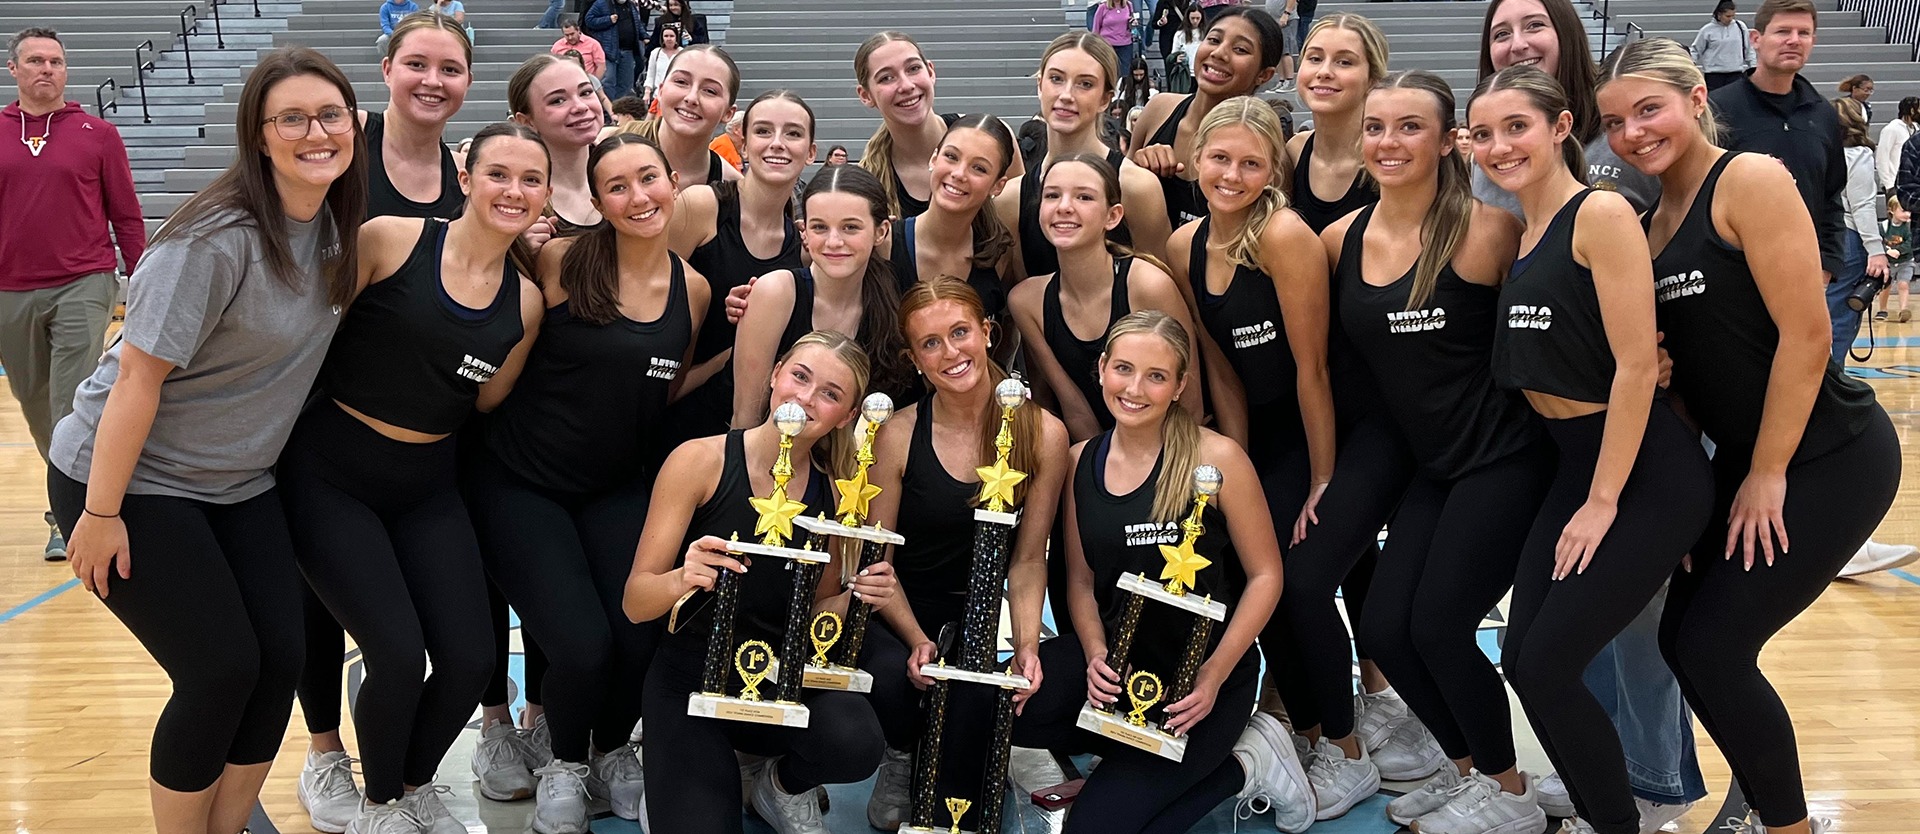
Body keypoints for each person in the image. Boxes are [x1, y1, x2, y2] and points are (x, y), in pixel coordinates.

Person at [49, 46, 363, 834]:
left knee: (278, 664)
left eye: (329, 114)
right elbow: (134, 384)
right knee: (218, 670)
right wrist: (99, 511)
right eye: (291, 118)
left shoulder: (335, 225)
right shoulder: (214, 239)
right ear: (259, 137)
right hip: (130, 481)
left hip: (237, 483)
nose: (315, 132)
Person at [1600, 35, 1902, 834]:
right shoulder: (1645, 221)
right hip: (1741, 462)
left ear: (1698, 98)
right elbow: (1697, 375)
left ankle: (1786, 824)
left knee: (1712, 649)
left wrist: (1766, 473)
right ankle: (1765, 811)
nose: (1632, 133)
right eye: (1616, 121)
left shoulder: (1750, 182)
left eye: (1649, 109)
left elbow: (1807, 338)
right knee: (1686, 642)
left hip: (1830, 456)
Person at [1478, 0, 1710, 824]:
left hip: (1641, 474)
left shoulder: (1600, 213)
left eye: (1518, 128)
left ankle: (1630, 806)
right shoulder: (1523, 229)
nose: (1501, 146)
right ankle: (1601, 793)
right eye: (1485, 134)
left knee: (1547, 663)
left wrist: (1606, 501)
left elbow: (1639, 363)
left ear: (1561, 125)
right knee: (1525, 660)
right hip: (1575, 465)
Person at [280, 122, 546, 834]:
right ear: (466, 176)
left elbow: (486, 397)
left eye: (530, 180)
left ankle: (414, 781)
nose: (512, 191)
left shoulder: (524, 302)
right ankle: (381, 807)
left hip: (426, 485)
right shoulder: (391, 239)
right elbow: (303, 333)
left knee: (469, 659)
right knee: (396, 655)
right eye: (498, 174)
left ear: (547, 194)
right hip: (330, 474)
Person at [1324, 68, 1553, 834]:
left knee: (1442, 626)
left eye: (1409, 126)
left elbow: (1553, 333)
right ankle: (1466, 773)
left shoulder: (1490, 231)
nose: (1389, 142)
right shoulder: (1339, 240)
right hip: (1433, 467)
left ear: (1449, 140)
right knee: (1387, 628)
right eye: (1376, 127)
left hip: (1505, 460)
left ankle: (1510, 790)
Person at [468, 133, 710, 833]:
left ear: (673, 181)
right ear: (597, 201)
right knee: (579, 644)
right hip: (520, 482)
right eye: (617, 187)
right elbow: (500, 361)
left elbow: (659, 391)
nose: (639, 198)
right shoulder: (562, 259)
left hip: (611, 486)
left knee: (639, 632)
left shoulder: (692, 288)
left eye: (648, 179)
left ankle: (611, 754)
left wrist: (727, 354)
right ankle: (567, 764)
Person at [1005, 310, 1294, 834]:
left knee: (1095, 830)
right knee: (998, 706)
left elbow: (1266, 577)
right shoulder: (1079, 461)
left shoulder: (1219, 459)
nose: (1135, 388)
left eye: (1156, 376)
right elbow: (1080, 582)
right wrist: (1094, 653)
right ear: (1101, 370)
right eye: (1124, 369)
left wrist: (1213, 676)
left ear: (1180, 385)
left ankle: (1245, 763)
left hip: (1198, 687)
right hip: (1119, 670)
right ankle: (1127, 764)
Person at [293, 14, 474, 828]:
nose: (433, 81)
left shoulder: (461, 174)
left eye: (451, 69)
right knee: (315, 604)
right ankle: (327, 752)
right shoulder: (342, 145)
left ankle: (399, 772)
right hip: (313, 409)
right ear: (387, 67)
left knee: (413, 631)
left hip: (421, 433)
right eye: (418, 65)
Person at [1270, 12, 1444, 807]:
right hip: (1314, 389)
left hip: (1389, 395)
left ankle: (1376, 706)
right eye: (1315, 57)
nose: (1326, 72)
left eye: (1346, 61)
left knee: (1347, 560)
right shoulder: (1292, 154)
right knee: (1336, 555)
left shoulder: (1393, 161)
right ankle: (1358, 705)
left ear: (1374, 76)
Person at [624, 330, 893, 834]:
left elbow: (815, 614)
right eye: (800, 376)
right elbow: (636, 602)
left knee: (856, 741)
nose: (806, 398)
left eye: (831, 394)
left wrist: (862, 597)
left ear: (849, 416)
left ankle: (778, 785)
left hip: (776, 681)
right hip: (689, 681)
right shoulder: (699, 460)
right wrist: (684, 575)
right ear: (774, 375)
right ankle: (675, 767)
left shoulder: (835, 494)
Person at [857, 276, 1070, 831]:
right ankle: (902, 752)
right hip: (902, 609)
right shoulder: (898, 435)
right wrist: (915, 639)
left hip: (980, 621)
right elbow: (878, 563)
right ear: (914, 359)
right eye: (931, 343)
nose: (950, 353)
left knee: (980, 755)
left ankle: (975, 744)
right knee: (891, 680)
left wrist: (1026, 645)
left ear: (988, 333)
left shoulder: (1042, 432)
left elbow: (1027, 560)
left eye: (960, 333)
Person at [0, 27, 144, 563]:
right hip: (9, 288)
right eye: (35, 60)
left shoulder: (96, 133)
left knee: (69, 398)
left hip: (84, 282)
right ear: (13, 70)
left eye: (56, 61)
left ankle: (69, 511)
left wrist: (140, 276)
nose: (47, 69)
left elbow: (126, 214)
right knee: (34, 401)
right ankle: (71, 489)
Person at [1011, 154, 1198, 442]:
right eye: (1052, 195)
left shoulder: (1149, 286)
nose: (1064, 207)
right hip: (1093, 451)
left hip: (1168, 444)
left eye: (1084, 197)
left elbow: (1189, 401)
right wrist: (1100, 474)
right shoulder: (1026, 302)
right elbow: (1074, 409)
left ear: (1112, 216)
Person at [667, 90, 814, 446]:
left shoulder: (802, 248)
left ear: (811, 153)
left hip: (746, 429)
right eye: (764, 131)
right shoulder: (703, 206)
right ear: (743, 145)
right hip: (672, 416)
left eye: (793, 133)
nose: (777, 143)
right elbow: (647, 307)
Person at [1711, 0, 1850, 361]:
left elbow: (1832, 198)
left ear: (1813, 42)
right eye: (1782, 31)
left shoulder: (1822, 114)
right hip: (1731, 291)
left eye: (1803, 33)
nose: (1793, 40)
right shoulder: (1717, 109)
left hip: (1803, 289)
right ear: (1756, 39)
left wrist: (1824, 270)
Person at [730, 164, 915, 427]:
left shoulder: (893, 301)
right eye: (820, 227)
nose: (834, 241)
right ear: (804, 230)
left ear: (881, 231)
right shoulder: (776, 292)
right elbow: (745, 418)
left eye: (850, 227)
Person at [996, 33, 1171, 277]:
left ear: (1105, 99)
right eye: (1056, 79)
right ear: (1039, 86)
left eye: (1085, 84)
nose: (1066, 95)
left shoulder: (1137, 186)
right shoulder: (1011, 199)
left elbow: (1161, 288)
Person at [1129, 6, 1285, 228]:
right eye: (1213, 40)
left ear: (1264, 74)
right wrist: (1139, 169)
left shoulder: (1265, 145)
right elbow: (1116, 194)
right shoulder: (1158, 109)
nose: (1219, 53)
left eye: (1240, 49)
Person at [887, 115, 1020, 338]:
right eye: (951, 157)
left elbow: (1004, 339)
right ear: (933, 159)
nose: (959, 174)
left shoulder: (998, 256)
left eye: (978, 168)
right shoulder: (886, 245)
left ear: (997, 186)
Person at [857, 32, 959, 219]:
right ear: (866, 95)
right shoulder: (865, 187)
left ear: (930, 72)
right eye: (886, 78)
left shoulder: (988, 136)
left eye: (913, 68)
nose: (906, 85)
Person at [510, 54, 606, 243]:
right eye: (558, 100)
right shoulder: (512, 195)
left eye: (586, 92)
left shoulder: (628, 175)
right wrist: (517, 252)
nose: (580, 106)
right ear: (526, 122)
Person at [638, 44, 743, 190]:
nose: (691, 98)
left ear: (728, 113)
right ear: (661, 91)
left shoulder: (733, 189)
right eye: (681, 82)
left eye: (710, 91)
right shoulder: (608, 147)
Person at [1835, 95, 1887, 358]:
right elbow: (1862, 205)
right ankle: (1829, 390)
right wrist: (1876, 250)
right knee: (1840, 321)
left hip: (1817, 236)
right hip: (1848, 238)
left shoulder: (1818, 150)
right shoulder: (1858, 155)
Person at [584, 0, 647, 100]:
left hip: (628, 50)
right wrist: (608, 20)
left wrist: (644, 36)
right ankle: (608, 110)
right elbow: (589, 20)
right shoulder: (601, 3)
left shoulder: (631, 5)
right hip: (608, 51)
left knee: (626, 83)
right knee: (608, 82)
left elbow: (637, 24)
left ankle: (618, 107)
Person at [1691, 0, 1752, 91]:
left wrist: (1753, 66)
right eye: (1727, 16)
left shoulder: (1740, 27)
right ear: (1719, 15)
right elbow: (1696, 50)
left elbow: (1748, 49)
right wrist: (1690, 64)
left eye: (1733, 16)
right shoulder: (1707, 30)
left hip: (1735, 73)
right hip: (1714, 75)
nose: (1731, 19)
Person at [1876, 196, 1913, 325]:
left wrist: (1900, 250)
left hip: (1905, 262)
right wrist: (1886, 251)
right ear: (1891, 210)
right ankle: (1882, 309)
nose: (1907, 214)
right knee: (1885, 286)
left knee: (1903, 284)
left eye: (1909, 211)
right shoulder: (1884, 226)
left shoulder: (1909, 227)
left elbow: (1910, 242)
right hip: (1888, 263)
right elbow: (1878, 241)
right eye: (1903, 211)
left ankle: (1903, 310)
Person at [1874, 97, 1917, 193]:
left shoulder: (1916, 129)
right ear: (1912, 110)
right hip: (1895, 183)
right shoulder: (1892, 129)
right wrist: (1888, 185)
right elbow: (1882, 157)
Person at [551, 17, 606, 82]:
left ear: (578, 30)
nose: (570, 37)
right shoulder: (557, 46)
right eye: (567, 35)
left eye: (572, 34)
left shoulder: (593, 44)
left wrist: (594, 83)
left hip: (586, 81)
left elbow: (601, 65)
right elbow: (552, 66)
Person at [1093, 0, 1136, 80]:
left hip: (1125, 44)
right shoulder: (1102, 7)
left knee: (1125, 74)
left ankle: (1123, 91)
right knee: (1107, 72)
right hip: (1107, 45)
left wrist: (1133, 22)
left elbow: (1130, 23)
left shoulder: (1129, 5)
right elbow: (1096, 27)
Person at [640, 23, 680, 109]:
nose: (669, 39)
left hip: (677, 97)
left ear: (676, 37)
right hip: (658, 96)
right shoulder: (656, 53)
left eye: (671, 36)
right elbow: (650, 75)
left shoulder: (683, 53)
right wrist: (647, 93)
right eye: (666, 36)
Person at [1167, 7, 1204, 94]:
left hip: (1201, 73)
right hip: (1186, 74)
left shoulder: (1206, 33)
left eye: (1198, 18)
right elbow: (1173, 54)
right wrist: (1176, 58)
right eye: (1192, 18)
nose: (1195, 21)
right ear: (1188, 18)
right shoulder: (1180, 34)